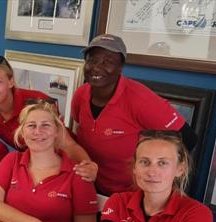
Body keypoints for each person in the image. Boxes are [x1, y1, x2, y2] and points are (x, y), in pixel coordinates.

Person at [71, 34, 198, 195]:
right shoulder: (80, 95)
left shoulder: (140, 100)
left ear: (121, 66)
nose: (96, 67)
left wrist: (155, 173)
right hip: (91, 187)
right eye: (92, 60)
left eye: (107, 62)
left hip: (131, 195)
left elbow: (188, 138)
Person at [0, 102, 98, 222]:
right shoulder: (12, 160)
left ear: (57, 131)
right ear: (22, 133)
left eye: (45, 125)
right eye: (31, 125)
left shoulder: (78, 173)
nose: (38, 131)